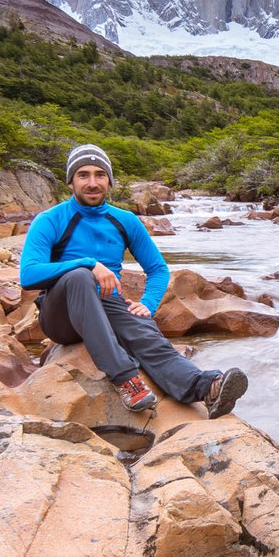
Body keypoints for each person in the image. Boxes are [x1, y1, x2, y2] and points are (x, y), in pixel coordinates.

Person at [20, 143, 248, 418]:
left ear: (109, 180)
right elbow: (28, 274)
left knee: (144, 332)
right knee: (79, 276)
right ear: (70, 181)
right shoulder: (50, 219)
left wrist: (148, 304)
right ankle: (124, 378)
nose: (92, 183)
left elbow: (158, 269)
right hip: (61, 316)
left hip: (107, 304)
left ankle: (206, 388)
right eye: (83, 175)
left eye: (99, 175)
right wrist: (89, 263)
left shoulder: (124, 220)